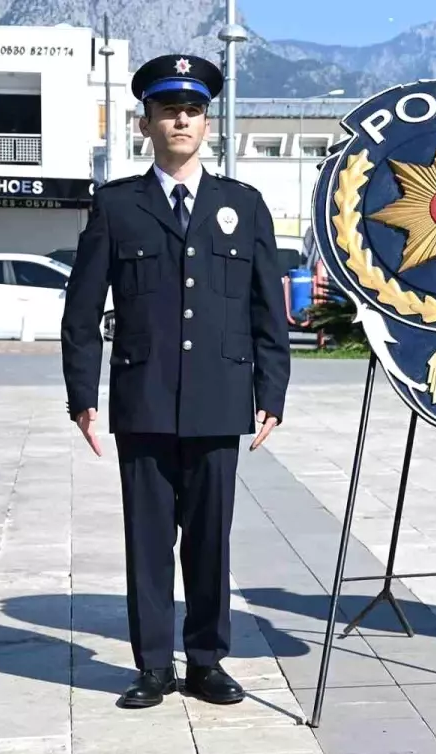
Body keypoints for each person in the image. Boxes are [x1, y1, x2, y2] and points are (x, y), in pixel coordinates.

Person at [61, 53, 292, 708]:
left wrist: (271, 392)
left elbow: (265, 310)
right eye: (168, 111)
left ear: (206, 124)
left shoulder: (241, 206)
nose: (181, 120)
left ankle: (207, 659)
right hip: (145, 400)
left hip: (220, 402)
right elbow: (80, 312)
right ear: (146, 123)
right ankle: (153, 665)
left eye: (192, 110)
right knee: (148, 543)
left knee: (211, 542)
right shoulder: (116, 207)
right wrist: (82, 394)